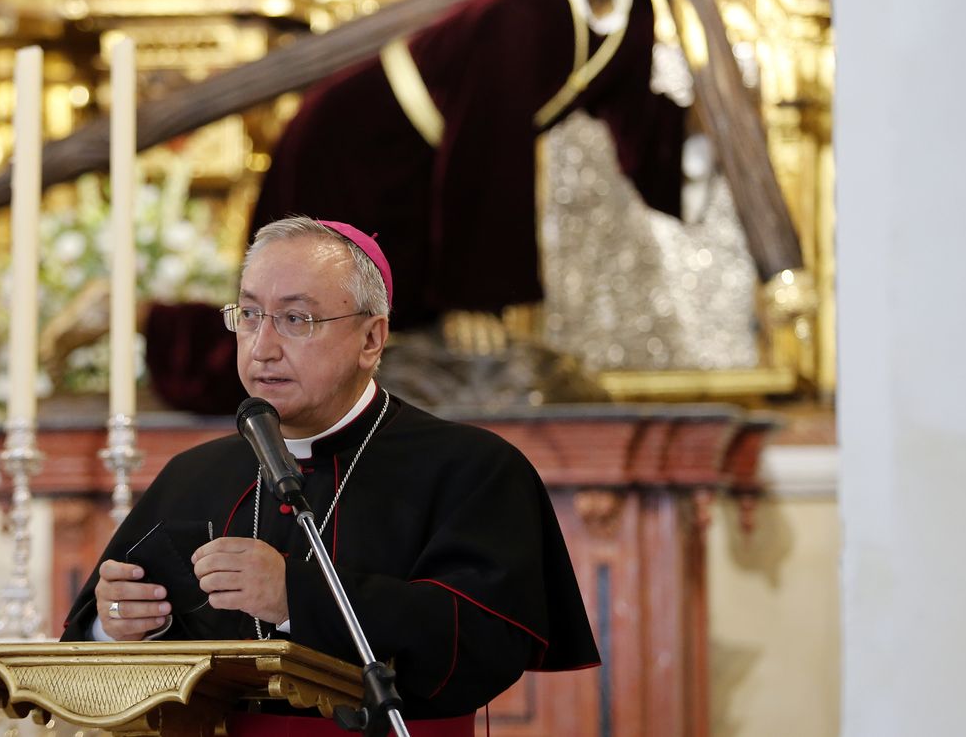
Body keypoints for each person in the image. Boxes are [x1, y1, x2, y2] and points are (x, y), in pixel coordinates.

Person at [145, 0, 690, 412]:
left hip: (420, 159)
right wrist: (475, 299)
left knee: (370, 328)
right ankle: (158, 328)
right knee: (301, 317)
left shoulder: (632, 12)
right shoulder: (526, 10)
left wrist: (691, 135)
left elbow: (633, 115)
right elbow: (486, 152)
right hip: (352, 142)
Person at [61, 217, 600, 728]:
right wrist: (113, 625)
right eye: (249, 315)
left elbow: (486, 640)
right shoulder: (191, 474)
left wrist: (296, 595)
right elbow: (94, 651)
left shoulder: (472, 468)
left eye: (296, 320)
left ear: (371, 340)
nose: (262, 347)